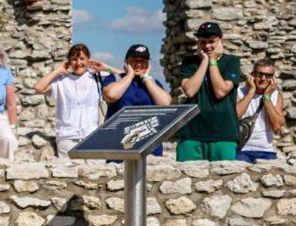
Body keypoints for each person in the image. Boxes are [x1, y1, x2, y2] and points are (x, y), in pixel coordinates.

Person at [32, 43, 118, 157]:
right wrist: (59, 70)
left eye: (82, 58)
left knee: (94, 168)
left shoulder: (97, 78)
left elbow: (125, 76)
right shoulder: (61, 81)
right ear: (69, 61)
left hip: (91, 136)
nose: (78, 63)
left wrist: (106, 67)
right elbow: (38, 88)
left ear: (88, 60)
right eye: (74, 59)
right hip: (67, 138)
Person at [177, 21, 242, 162]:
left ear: (221, 41)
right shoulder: (189, 62)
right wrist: (205, 61)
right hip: (191, 134)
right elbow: (189, 91)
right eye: (203, 42)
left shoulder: (232, 61)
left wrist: (212, 60)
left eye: (212, 41)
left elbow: (221, 91)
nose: (207, 46)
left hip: (223, 135)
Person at [100, 43, 172, 157]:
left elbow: (165, 104)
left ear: (147, 64)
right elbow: (111, 95)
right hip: (119, 147)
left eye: (143, 61)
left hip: (150, 147)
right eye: (134, 61)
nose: (138, 64)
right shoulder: (114, 78)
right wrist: (129, 75)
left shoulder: (153, 83)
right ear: (127, 62)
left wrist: (147, 79)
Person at [236, 57, 285, 163]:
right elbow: (234, 116)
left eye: (268, 76)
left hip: (266, 151)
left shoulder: (276, 95)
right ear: (252, 75)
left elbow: (277, 126)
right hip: (241, 150)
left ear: (272, 78)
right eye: (260, 74)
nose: (263, 78)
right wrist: (251, 92)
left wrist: (266, 98)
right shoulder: (239, 92)